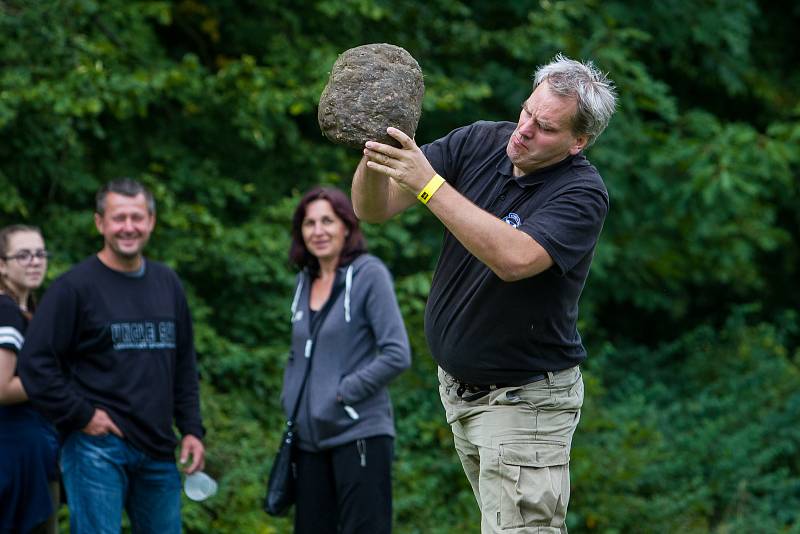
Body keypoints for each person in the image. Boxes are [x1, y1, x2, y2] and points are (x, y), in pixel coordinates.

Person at [351, 54, 617, 533]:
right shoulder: (480, 140)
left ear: (578, 142)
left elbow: (515, 259)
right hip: (459, 392)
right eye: (527, 112)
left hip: (524, 400)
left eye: (547, 128)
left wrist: (429, 184)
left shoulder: (581, 194)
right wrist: (376, 150)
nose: (525, 130)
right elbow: (374, 209)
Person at [18, 178, 206, 534]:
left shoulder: (167, 283)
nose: (129, 227)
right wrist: (82, 414)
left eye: (137, 217)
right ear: (100, 223)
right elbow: (35, 365)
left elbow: (183, 366)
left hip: (159, 449)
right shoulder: (74, 288)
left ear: (151, 221)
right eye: (119, 218)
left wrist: (193, 429)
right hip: (96, 448)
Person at [281, 186, 411, 534]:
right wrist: (291, 396)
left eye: (328, 220)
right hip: (309, 439)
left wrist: (343, 392)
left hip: (359, 433)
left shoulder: (369, 274)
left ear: (346, 226)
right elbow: (300, 354)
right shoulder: (304, 281)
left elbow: (397, 353)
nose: (318, 231)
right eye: (309, 223)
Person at [0, 225, 60, 534]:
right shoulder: (5, 311)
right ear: (2, 264)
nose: (34, 261)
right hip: (14, 460)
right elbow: (2, 388)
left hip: (33, 453)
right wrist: (58, 379)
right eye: (22, 255)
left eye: (39, 253)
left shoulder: (28, 310)